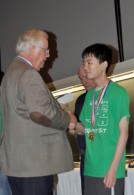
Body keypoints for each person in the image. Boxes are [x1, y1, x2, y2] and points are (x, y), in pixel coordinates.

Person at [0, 29, 76, 195]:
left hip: (20, 166)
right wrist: (68, 119)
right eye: (46, 50)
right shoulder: (28, 74)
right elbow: (41, 114)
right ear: (32, 48)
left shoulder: (11, 73)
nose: (49, 55)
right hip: (34, 166)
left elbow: (25, 111)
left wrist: (55, 108)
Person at [71, 43, 130, 195]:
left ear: (103, 65)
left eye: (89, 62)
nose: (85, 67)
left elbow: (124, 133)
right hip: (90, 167)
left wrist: (113, 169)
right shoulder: (90, 95)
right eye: (84, 63)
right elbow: (87, 128)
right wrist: (72, 123)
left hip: (108, 168)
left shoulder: (118, 93)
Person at [74, 65, 96, 195]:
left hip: (100, 157)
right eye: (81, 78)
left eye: (86, 77)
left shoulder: (106, 97)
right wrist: (74, 129)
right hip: (85, 157)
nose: (84, 82)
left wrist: (81, 128)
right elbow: (84, 129)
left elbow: (95, 132)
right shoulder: (81, 100)